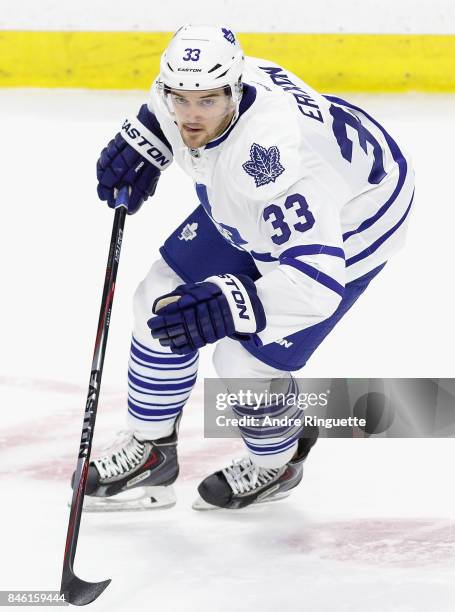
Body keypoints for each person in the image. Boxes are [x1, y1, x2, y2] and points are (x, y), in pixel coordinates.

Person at [72, 25, 415, 511]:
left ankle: (280, 461)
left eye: (207, 102)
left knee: (242, 362)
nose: (190, 115)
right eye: (180, 99)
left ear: (233, 92)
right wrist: (147, 136)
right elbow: (178, 101)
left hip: (354, 217)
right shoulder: (214, 83)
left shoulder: (268, 167)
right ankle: (152, 451)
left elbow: (315, 286)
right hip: (260, 200)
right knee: (158, 299)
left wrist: (235, 304)